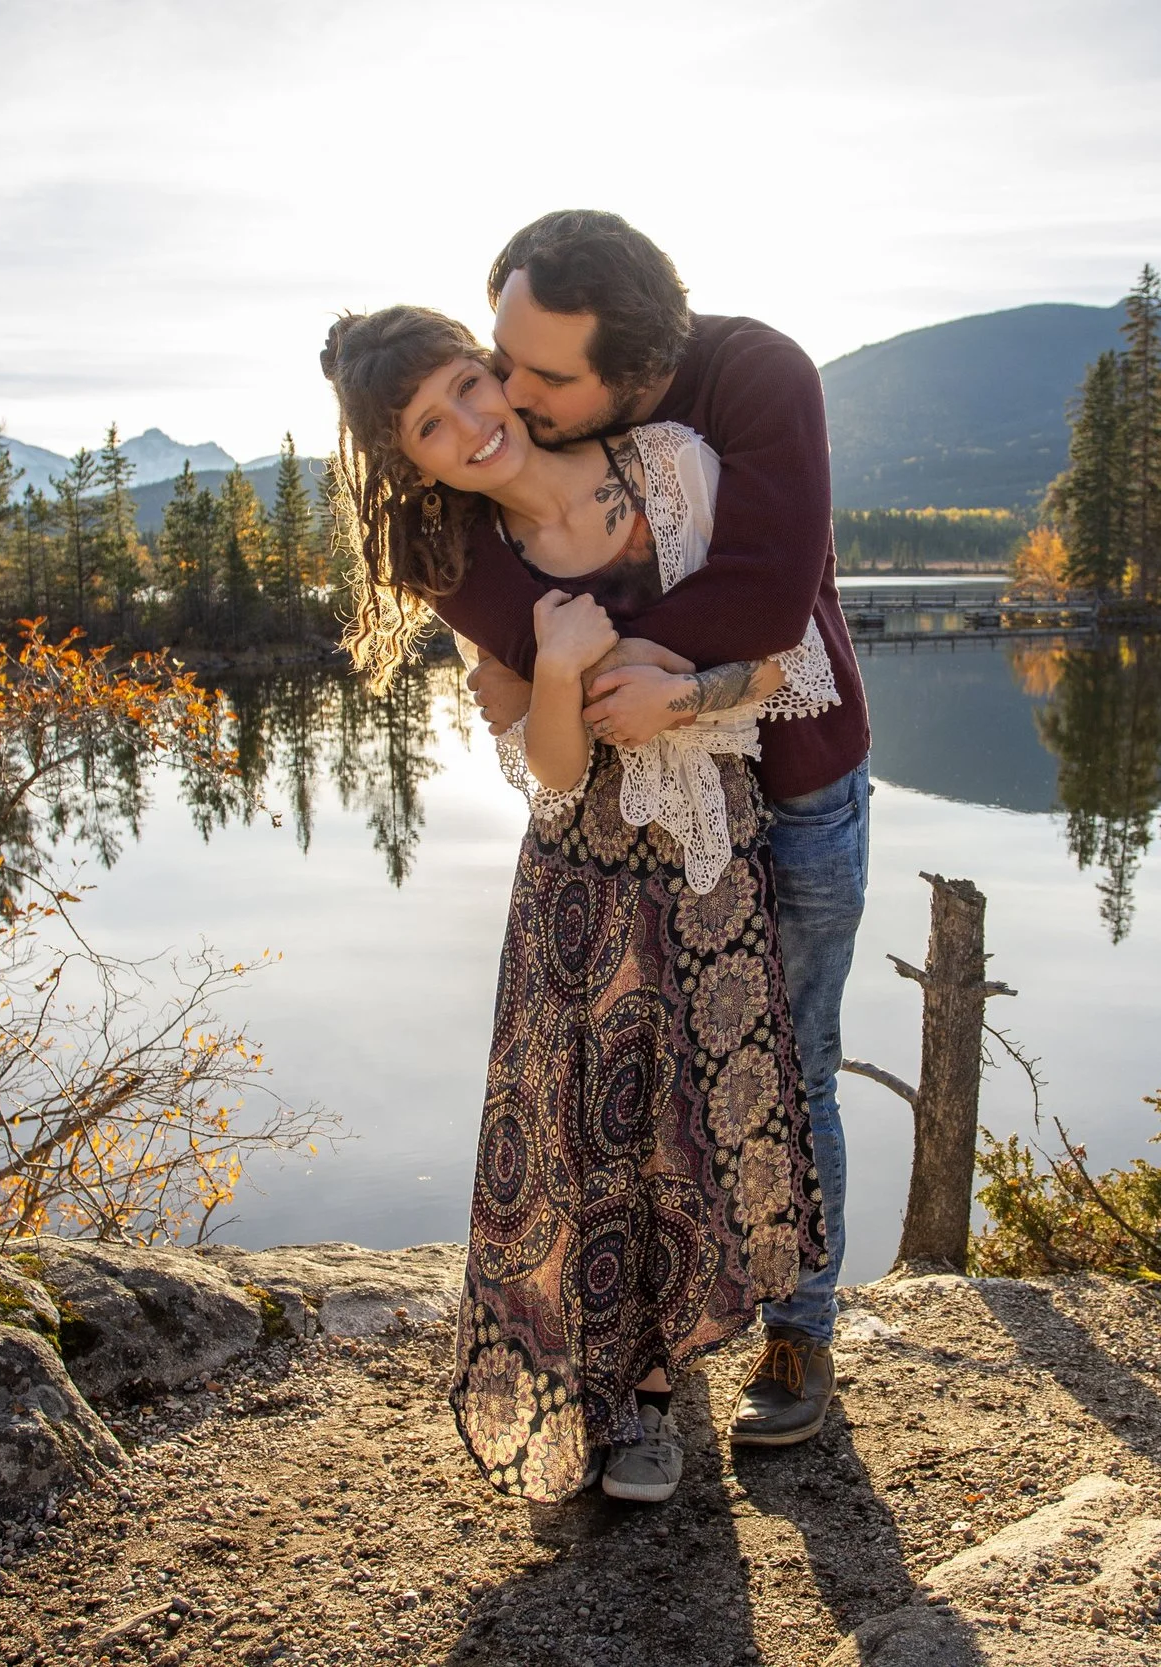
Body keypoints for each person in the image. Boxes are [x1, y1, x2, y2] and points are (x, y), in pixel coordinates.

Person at [322, 305, 832, 1504]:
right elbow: (549, 770)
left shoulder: (666, 466)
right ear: (410, 459)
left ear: (495, 369)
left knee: (705, 1119)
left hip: (711, 851)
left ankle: (724, 1342)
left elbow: (781, 659)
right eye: (430, 429)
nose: (468, 427)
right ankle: (631, 1404)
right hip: (582, 879)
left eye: (466, 386)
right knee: (593, 1133)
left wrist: (677, 686)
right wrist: (556, 669)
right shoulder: (470, 566)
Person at [433, 212, 869, 1450]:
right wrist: (522, 641)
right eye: (501, 357)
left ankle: (801, 1326)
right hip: (632, 836)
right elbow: (498, 595)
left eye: (544, 377)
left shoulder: (754, 379)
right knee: (648, 1098)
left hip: (797, 789)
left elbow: (766, 600)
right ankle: (657, 1359)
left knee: (796, 1066)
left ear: (635, 373)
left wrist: (600, 668)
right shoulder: (529, 419)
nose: (511, 396)